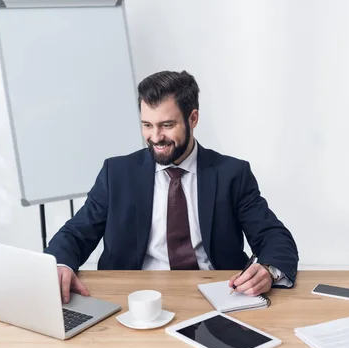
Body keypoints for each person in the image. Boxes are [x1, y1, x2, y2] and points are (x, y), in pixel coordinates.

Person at [44, 70, 299, 304]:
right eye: (147, 125)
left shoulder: (232, 174)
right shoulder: (117, 173)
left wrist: (268, 270)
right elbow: (76, 233)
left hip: (219, 296)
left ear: (193, 118)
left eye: (167, 125)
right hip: (133, 299)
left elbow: (274, 236)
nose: (155, 137)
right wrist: (61, 264)